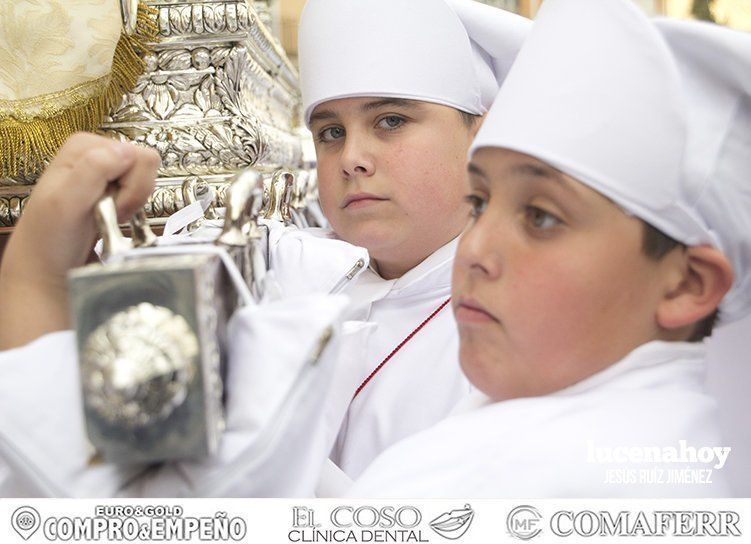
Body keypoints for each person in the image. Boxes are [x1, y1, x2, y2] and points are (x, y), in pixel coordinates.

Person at [0, 0, 530, 494]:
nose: (353, 157)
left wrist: (32, 284)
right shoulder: (296, 270)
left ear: (482, 140)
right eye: (329, 132)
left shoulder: (510, 332)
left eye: (390, 121)